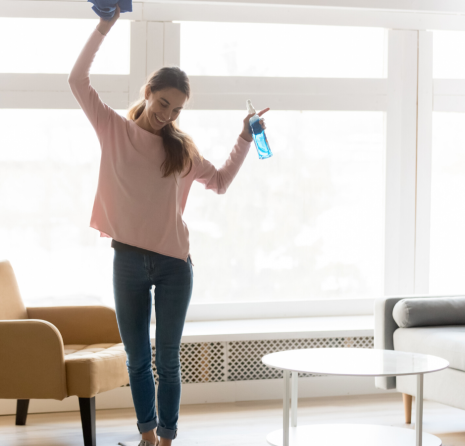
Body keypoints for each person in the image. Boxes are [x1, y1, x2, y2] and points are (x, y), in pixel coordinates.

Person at [68, 5, 269, 445]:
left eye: (176, 110)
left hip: (175, 265)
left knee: (168, 361)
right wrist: (106, 24)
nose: (167, 115)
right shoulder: (113, 130)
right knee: (137, 359)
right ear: (148, 92)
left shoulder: (180, 151)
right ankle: (146, 435)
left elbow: (218, 182)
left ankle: (167, 438)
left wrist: (244, 139)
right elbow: (76, 80)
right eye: (163, 103)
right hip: (127, 260)